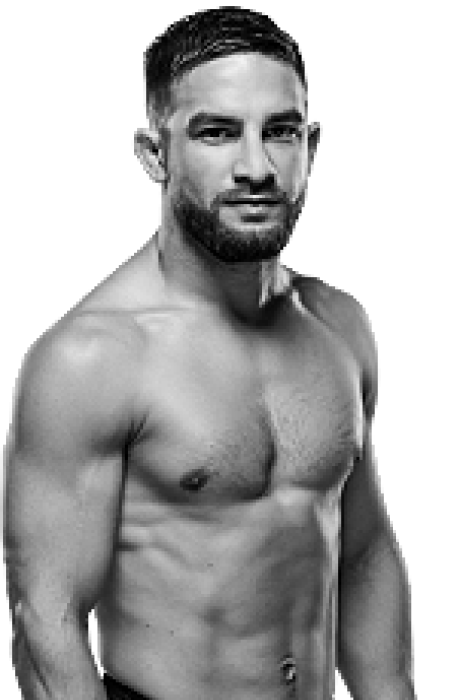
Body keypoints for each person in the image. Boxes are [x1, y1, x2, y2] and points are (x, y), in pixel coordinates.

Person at [4, 8, 414, 700]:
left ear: (312, 145)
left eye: (280, 131)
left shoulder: (339, 324)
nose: (256, 167)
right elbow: (47, 621)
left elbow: (364, 551)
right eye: (217, 133)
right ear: (154, 153)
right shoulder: (94, 357)